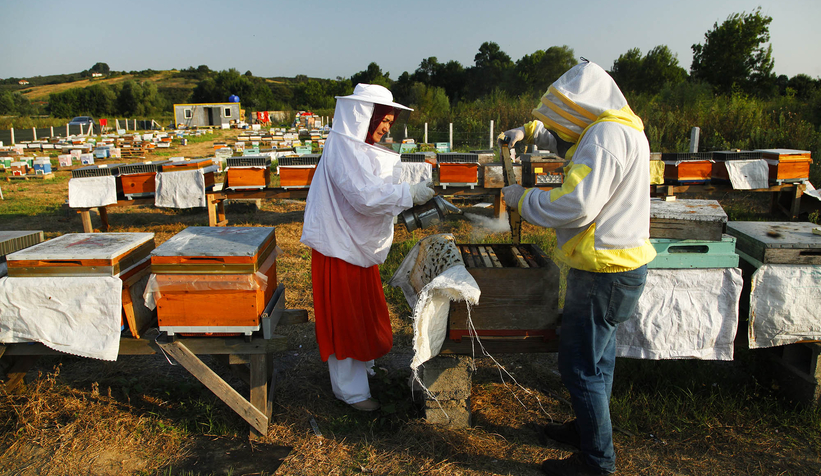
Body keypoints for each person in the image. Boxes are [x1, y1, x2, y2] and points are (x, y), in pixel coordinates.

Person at [501, 61, 656, 475]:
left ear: (584, 104)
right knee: (599, 362)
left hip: (602, 271)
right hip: (618, 267)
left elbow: (576, 204)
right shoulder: (623, 129)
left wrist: (523, 198)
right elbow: (571, 141)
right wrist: (531, 132)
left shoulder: (604, 137)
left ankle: (596, 462)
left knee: (579, 366)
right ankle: (587, 432)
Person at [300, 84, 435, 412]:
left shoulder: (356, 148)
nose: (387, 126)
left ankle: (365, 367)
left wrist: (406, 189)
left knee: (362, 313)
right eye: (383, 119)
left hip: (354, 247)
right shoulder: (344, 148)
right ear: (363, 117)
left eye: (390, 120)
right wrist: (409, 195)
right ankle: (351, 391)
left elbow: (374, 185)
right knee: (345, 319)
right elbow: (365, 196)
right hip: (339, 249)